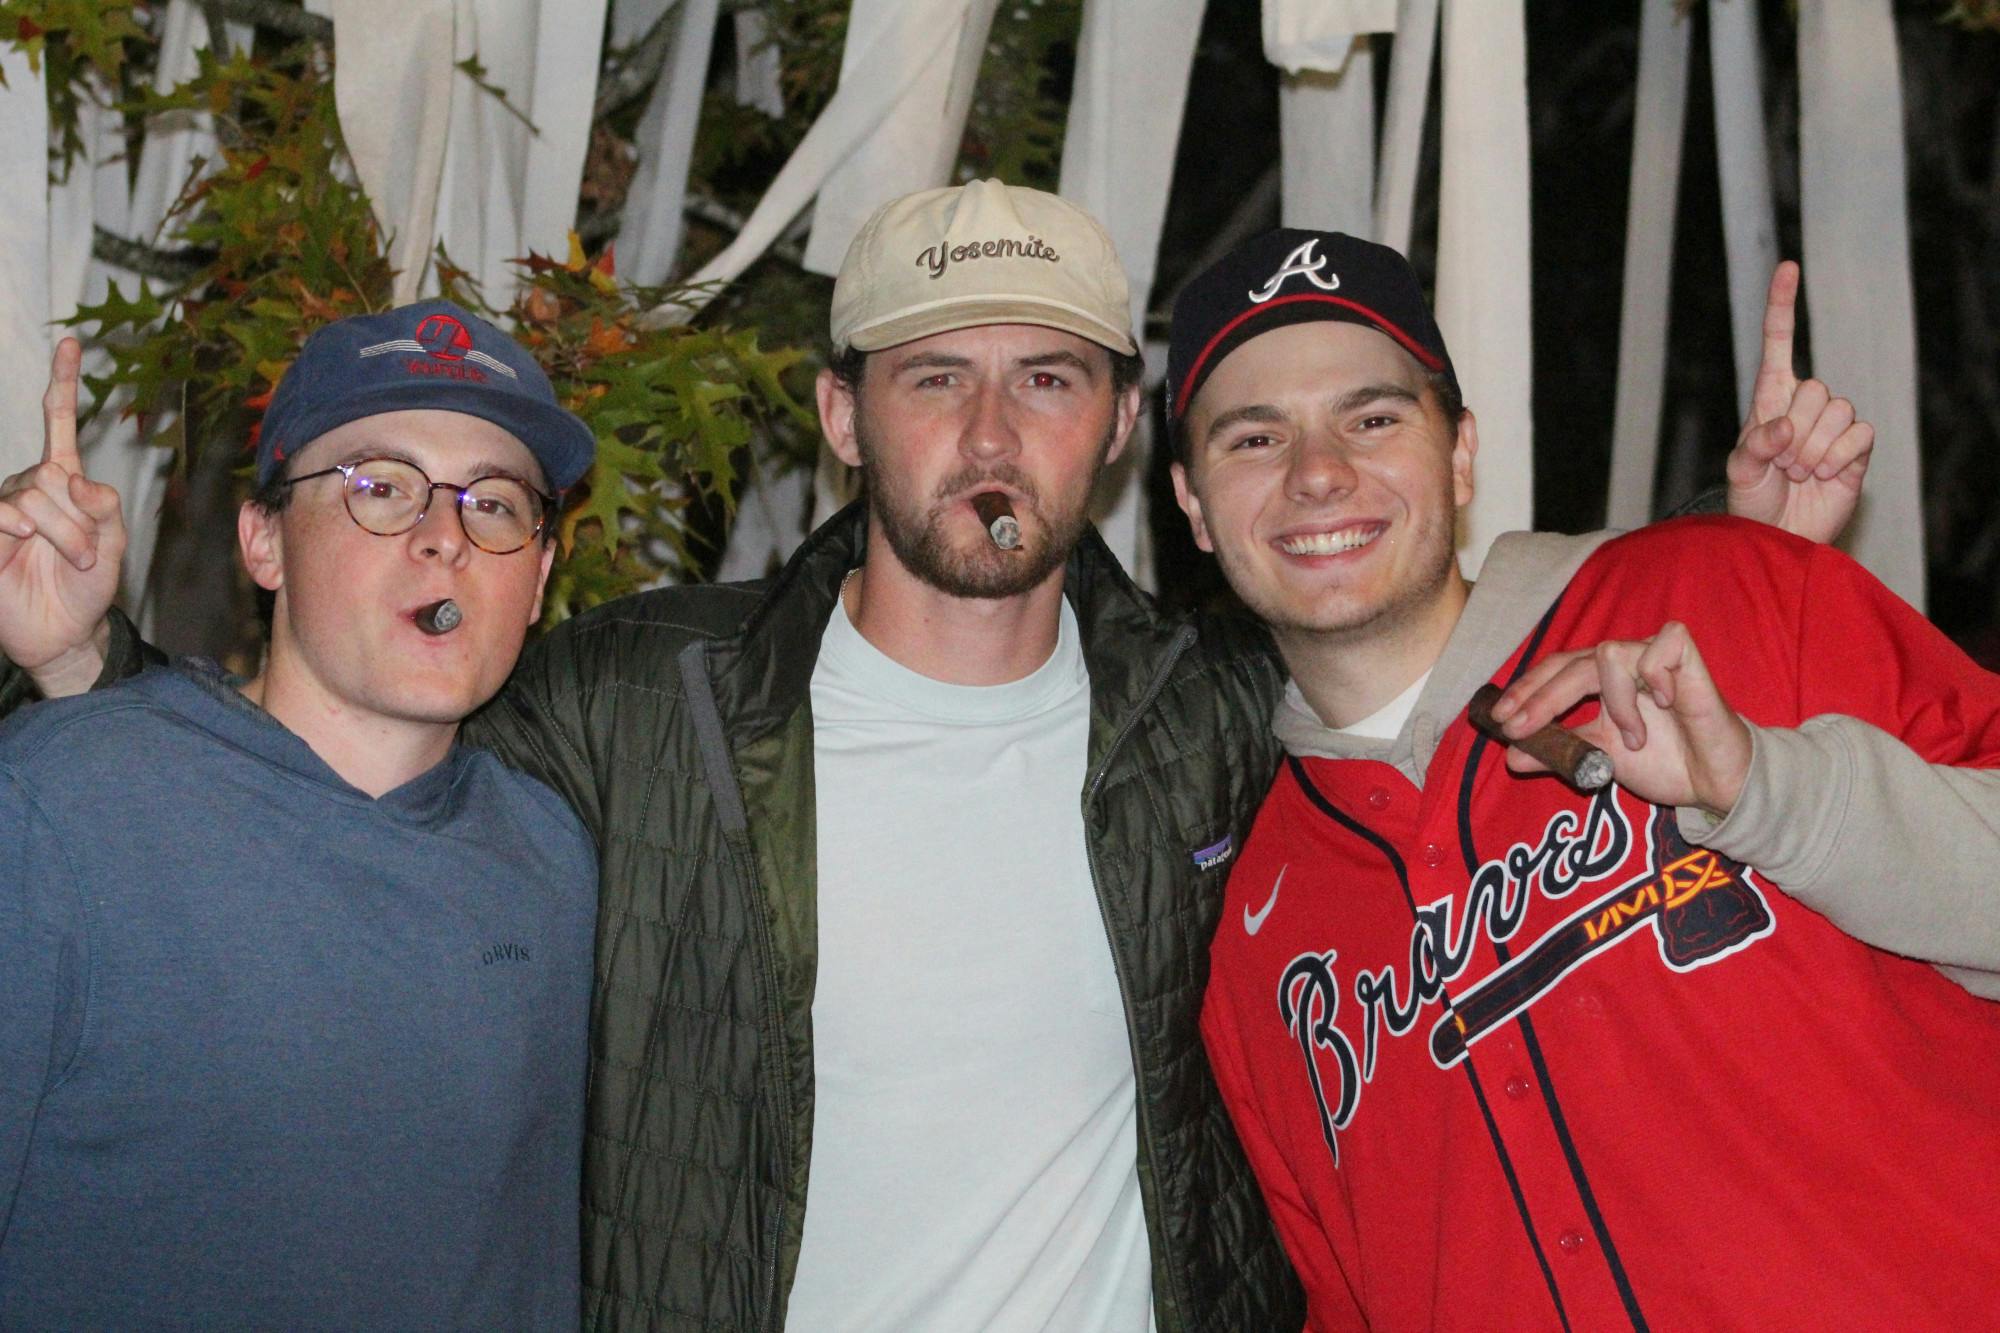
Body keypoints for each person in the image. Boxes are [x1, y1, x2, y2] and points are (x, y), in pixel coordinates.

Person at [2, 185, 1859, 1330]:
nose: (991, 424)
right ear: (839, 413)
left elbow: (1435, 657)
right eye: (930, 373)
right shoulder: (642, 697)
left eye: (1047, 375)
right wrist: (88, 658)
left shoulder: (1219, 717)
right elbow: (330, 753)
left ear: (1122, 431)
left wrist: (1734, 547)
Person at [1166, 228, 2000, 1330]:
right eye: (1253, 437)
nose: (1317, 474)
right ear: (1187, 503)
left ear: (1459, 453)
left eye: (1371, 419)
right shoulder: (1256, 943)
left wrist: (1767, 789)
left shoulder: (1718, 588)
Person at [0, 302, 600, 1328]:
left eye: (494, 504)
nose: (442, 540)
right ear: (264, 541)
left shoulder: (550, 856)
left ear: (539, 575)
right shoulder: (62, 810)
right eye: (380, 486)